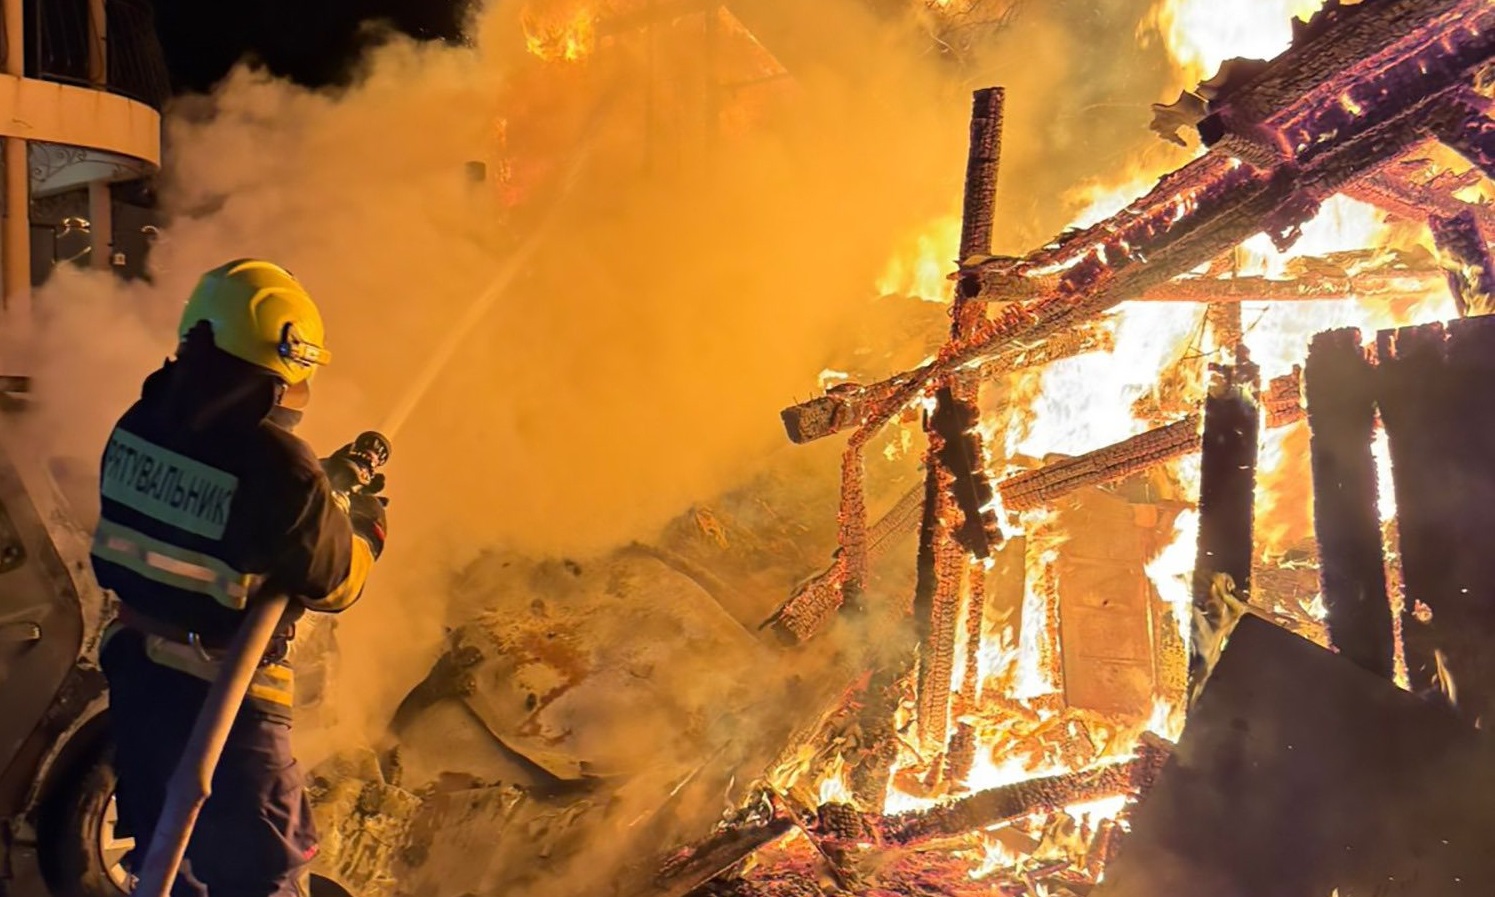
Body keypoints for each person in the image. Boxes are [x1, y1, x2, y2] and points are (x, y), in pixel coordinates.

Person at [90, 258, 388, 896]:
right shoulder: (281, 469)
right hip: (227, 697)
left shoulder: (137, 425)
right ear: (280, 358)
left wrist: (318, 493)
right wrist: (363, 527)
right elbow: (334, 583)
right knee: (261, 872)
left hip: (139, 677)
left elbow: (219, 516)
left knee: (169, 852)